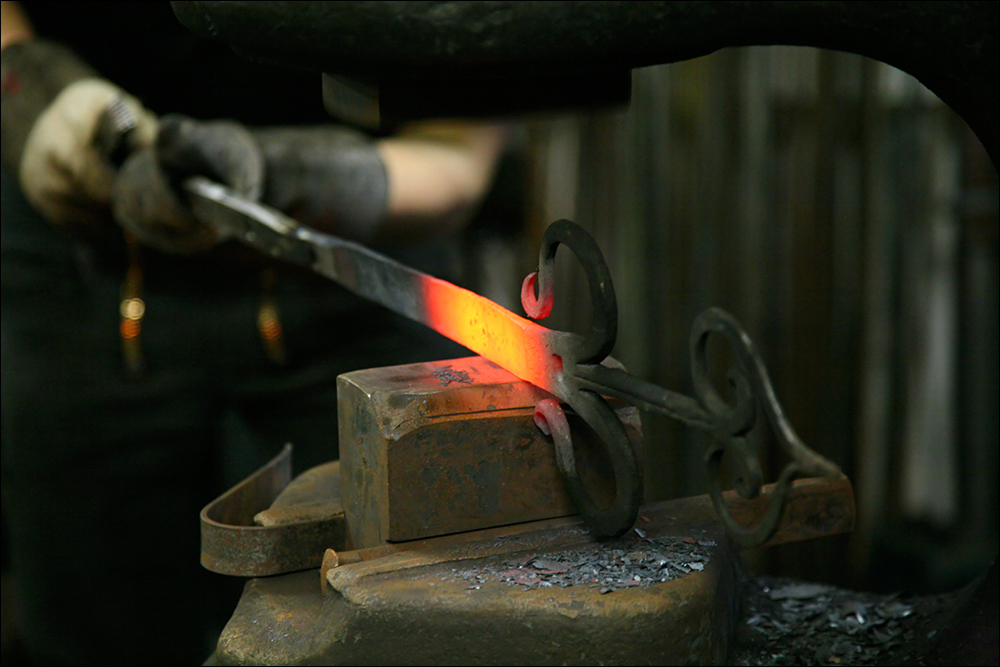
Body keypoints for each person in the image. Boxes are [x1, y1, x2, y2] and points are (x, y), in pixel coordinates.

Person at [1, 2, 506, 664]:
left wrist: (314, 180)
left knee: (379, 629)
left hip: (352, 283)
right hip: (77, 276)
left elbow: (458, 150)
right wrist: (26, 84)